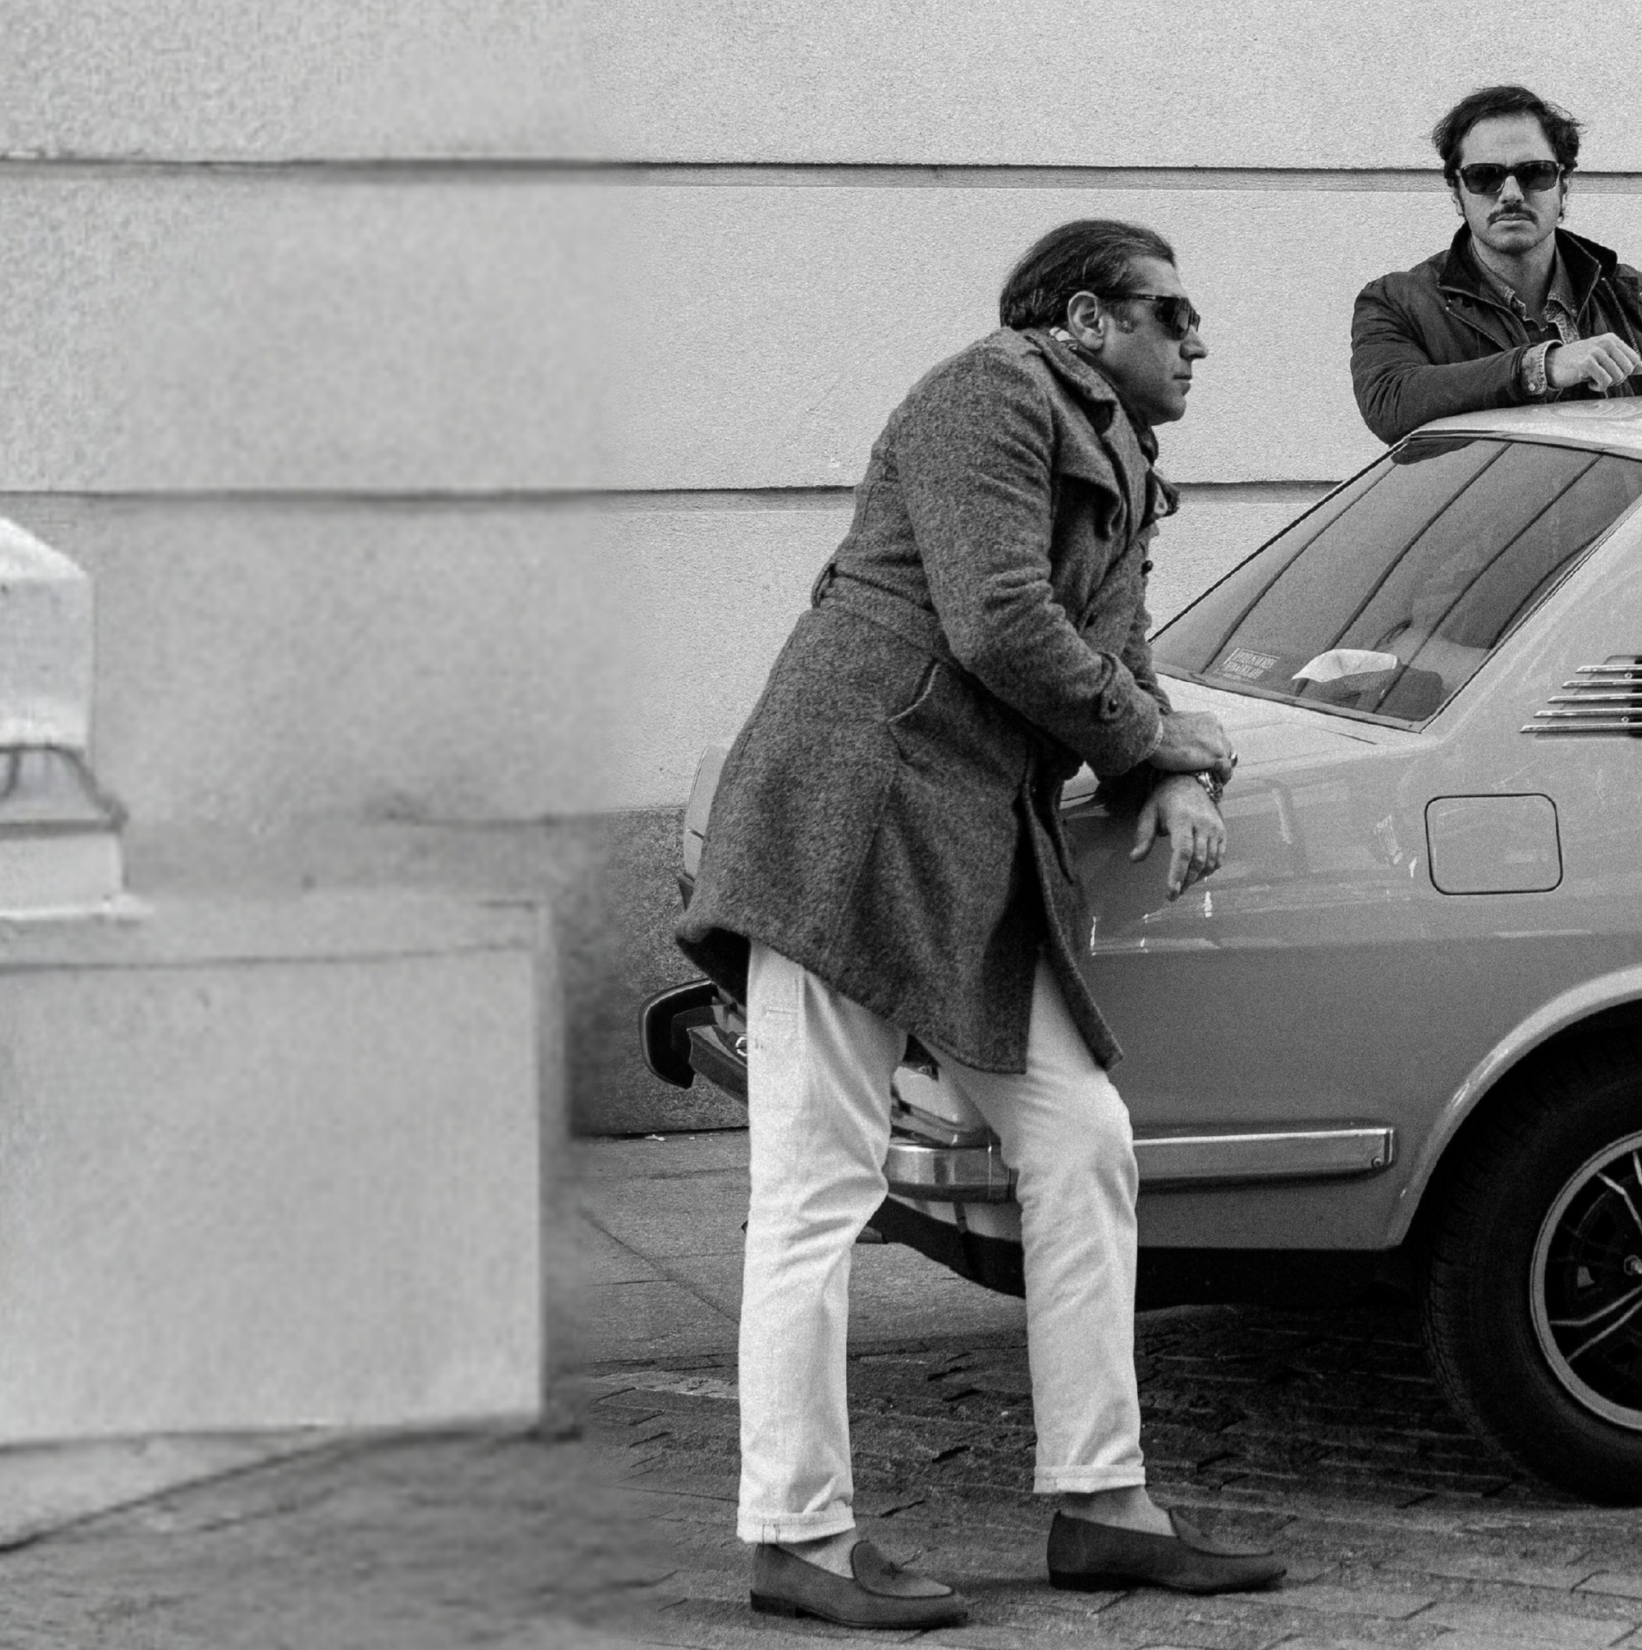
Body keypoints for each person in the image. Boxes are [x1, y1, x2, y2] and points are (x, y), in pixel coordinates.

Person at [676, 218, 1286, 1629]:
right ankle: (796, 1533)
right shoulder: (990, 391)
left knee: (1081, 1140)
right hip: (853, 812)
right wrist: (1151, 738)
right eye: (1172, 313)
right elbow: (1000, 619)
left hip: (969, 840)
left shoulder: (1122, 450)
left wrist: (1161, 766)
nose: (1197, 341)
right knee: (816, 1186)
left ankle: (1102, 1504)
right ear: (1084, 320)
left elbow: (1116, 654)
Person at [1350, 83, 1642, 443]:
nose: (1511, 194)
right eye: (1484, 176)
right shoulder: (1397, 301)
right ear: (1456, 192)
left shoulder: (1636, 297)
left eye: (1534, 173)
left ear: (1564, 185)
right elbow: (1389, 402)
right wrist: (1540, 366)